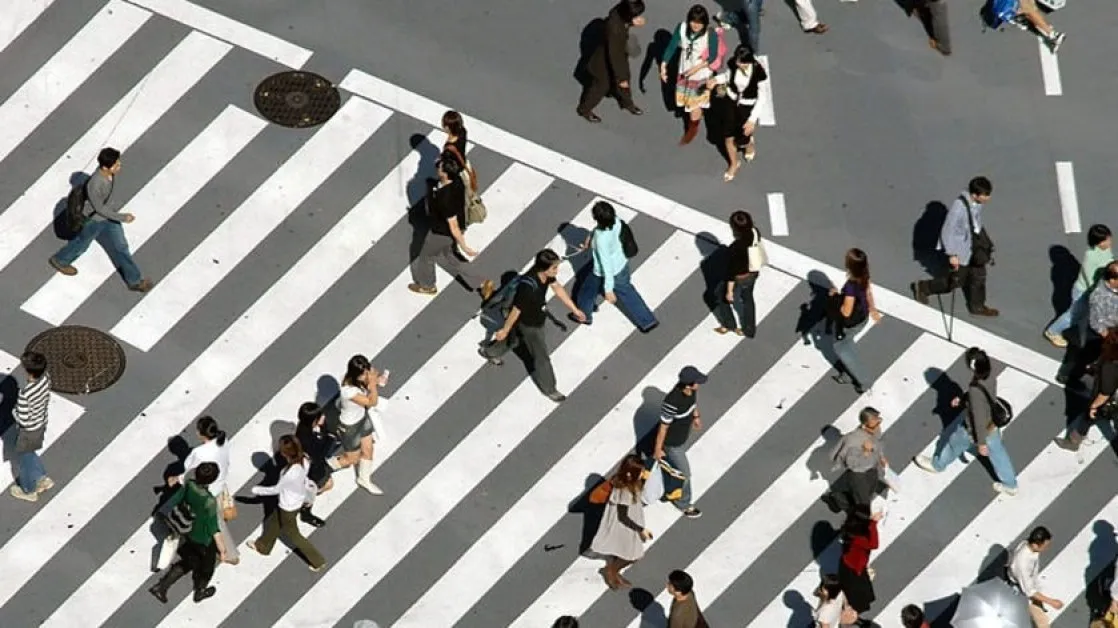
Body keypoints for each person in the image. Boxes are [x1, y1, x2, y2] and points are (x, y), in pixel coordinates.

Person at [480, 249, 586, 401]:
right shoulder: (528, 287)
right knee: (541, 356)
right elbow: (516, 310)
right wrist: (505, 329)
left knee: (515, 339)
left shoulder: (546, 275)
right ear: (543, 268)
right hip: (529, 323)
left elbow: (557, 288)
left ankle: (490, 352)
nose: (557, 271)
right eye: (554, 268)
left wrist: (574, 309)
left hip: (534, 317)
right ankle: (550, 388)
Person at [914, 347, 1019, 496]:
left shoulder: (975, 390)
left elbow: (978, 418)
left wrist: (981, 443)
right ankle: (1010, 484)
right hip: (991, 423)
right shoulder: (990, 375)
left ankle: (938, 465)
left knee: (953, 443)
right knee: (998, 453)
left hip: (972, 429)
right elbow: (983, 397)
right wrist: (963, 400)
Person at [49, 147, 153, 292]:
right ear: (105, 167)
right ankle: (60, 260)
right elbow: (99, 208)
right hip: (94, 220)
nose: (119, 166)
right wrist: (122, 217)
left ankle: (134, 280)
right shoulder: (96, 183)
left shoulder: (108, 175)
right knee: (81, 243)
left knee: (121, 247)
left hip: (107, 216)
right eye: (116, 165)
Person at [408, 151, 496, 300]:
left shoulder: (446, 198)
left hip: (441, 233)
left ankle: (428, 285)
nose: (437, 166)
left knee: (426, 256)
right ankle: (482, 282)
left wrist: (465, 246)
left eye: (440, 167)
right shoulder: (457, 181)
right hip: (455, 229)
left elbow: (453, 226)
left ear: (445, 174)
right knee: (451, 256)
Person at [911, 176, 999, 317]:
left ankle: (977, 306)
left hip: (973, 247)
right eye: (986, 195)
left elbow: (975, 223)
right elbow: (947, 232)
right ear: (975, 195)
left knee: (979, 276)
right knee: (954, 281)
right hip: (961, 251)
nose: (988, 198)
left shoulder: (977, 203)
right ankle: (923, 287)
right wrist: (952, 254)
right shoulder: (958, 209)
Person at [572, 201, 658, 332]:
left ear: (596, 218)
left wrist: (608, 290)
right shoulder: (616, 221)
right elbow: (599, 229)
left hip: (603, 272)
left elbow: (606, 265)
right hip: (622, 264)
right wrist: (590, 238)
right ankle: (647, 320)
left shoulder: (601, 239)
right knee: (627, 292)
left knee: (587, 292)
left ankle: (583, 316)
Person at [148, 462, 226, 604]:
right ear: (213, 480)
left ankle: (161, 586)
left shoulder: (189, 484)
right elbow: (213, 528)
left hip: (186, 530)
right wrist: (222, 550)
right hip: (203, 539)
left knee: (190, 561)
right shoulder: (209, 501)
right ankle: (200, 591)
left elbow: (176, 499)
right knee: (207, 567)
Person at [247, 435, 327, 572]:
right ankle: (263, 546)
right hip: (298, 499)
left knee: (293, 534)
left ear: (285, 453)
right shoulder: (304, 460)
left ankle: (317, 560)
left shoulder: (289, 472)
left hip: (288, 505)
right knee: (273, 520)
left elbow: (276, 489)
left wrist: (257, 490)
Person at [167, 416, 239, 565]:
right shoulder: (223, 441)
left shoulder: (199, 452)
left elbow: (188, 470)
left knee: (215, 521)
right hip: (219, 483)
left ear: (201, 434)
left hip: (206, 490)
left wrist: (176, 478)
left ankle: (229, 553)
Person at [659, 5, 727, 145]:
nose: (696, 25)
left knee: (694, 106)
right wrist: (663, 64)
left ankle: (692, 128)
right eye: (693, 21)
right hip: (685, 71)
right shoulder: (681, 28)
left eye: (699, 22)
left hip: (700, 75)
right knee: (690, 102)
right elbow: (672, 46)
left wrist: (695, 69)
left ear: (705, 23)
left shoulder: (710, 34)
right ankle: (695, 118)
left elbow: (712, 56)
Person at [577, 0, 647, 123]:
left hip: (612, 53)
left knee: (623, 84)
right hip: (603, 63)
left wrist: (630, 22)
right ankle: (584, 109)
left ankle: (627, 103)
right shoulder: (615, 31)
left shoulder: (618, 12)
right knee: (601, 86)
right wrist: (621, 78)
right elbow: (616, 56)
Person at [590, 454, 653, 589]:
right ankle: (611, 571)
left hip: (629, 521)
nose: (643, 474)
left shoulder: (627, 482)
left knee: (628, 552)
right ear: (630, 474)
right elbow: (623, 516)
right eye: (641, 472)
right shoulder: (625, 490)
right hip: (625, 525)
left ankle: (613, 571)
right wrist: (641, 529)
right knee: (632, 555)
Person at [706, 46, 768, 181]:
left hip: (746, 105)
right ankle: (734, 164)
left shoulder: (759, 72)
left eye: (741, 62)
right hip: (731, 101)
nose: (737, 63)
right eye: (737, 60)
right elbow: (727, 77)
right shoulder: (733, 64)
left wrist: (752, 120)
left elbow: (762, 97)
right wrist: (716, 80)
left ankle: (749, 144)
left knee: (744, 136)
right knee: (728, 136)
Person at [1046, 224, 1113, 348]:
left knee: (1085, 313)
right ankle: (1053, 332)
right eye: (1106, 240)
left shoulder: (1106, 250)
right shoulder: (1091, 257)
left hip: (1095, 288)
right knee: (1073, 315)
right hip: (1084, 292)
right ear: (1098, 242)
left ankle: (1083, 332)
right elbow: (1090, 280)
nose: (1109, 242)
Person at [653, 366, 707, 519]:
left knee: (674, 468)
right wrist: (658, 449)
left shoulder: (692, 391)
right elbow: (663, 427)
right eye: (697, 381)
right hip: (672, 444)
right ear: (688, 384)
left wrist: (696, 416)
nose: (699, 384)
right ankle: (683, 503)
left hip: (682, 437)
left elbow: (693, 404)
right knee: (685, 474)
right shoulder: (672, 401)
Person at [330, 354, 386, 495]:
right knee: (351, 459)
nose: (367, 376)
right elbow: (371, 402)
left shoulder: (361, 376)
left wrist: (377, 379)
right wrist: (373, 385)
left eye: (367, 372)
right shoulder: (348, 391)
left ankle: (364, 479)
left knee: (368, 449)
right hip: (350, 427)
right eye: (364, 375)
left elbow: (371, 378)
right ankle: (325, 465)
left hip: (362, 419)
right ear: (356, 375)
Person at [1055, 328, 1118, 452]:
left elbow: (1105, 392)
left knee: (1089, 416)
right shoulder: (1110, 361)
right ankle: (1074, 440)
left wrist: (1094, 406)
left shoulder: (1110, 367)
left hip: (1104, 399)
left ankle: (1073, 441)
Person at [830, 248, 882, 394]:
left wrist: (835, 296)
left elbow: (846, 311)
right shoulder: (865, 275)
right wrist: (873, 310)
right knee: (847, 345)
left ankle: (864, 382)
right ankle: (847, 374)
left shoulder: (850, 287)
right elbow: (868, 293)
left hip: (850, 323)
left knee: (842, 348)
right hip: (862, 317)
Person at [9, 351, 54, 503]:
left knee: (25, 460)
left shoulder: (25, 395)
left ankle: (29, 490)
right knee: (30, 454)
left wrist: (14, 412)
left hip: (28, 431)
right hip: (41, 422)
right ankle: (42, 478)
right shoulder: (46, 379)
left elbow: (24, 420)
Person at [825, 407, 888, 514]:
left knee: (867, 493)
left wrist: (880, 457)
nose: (878, 427)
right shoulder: (853, 440)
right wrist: (866, 452)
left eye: (879, 422)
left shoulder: (874, 430)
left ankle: (838, 499)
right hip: (858, 475)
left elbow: (876, 444)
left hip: (871, 469)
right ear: (864, 425)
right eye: (874, 425)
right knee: (863, 506)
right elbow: (852, 465)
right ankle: (861, 522)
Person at [713, 210, 761, 337]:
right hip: (753, 272)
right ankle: (749, 330)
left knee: (721, 295)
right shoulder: (754, 232)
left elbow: (731, 273)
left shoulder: (735, 249)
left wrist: (729, 292)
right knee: (748, 298)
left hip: (741, 277)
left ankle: (729, 324)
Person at [1008, 526, 1064, 628]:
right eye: (1045, 546)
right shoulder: (1022, 563)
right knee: (1042, 623)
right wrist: (1052, 602)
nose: (1046, 548)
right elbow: (1030, 592)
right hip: (1023, 592)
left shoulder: (1027, 545)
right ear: (1035, 545)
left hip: (1028, 584)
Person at [296, 402, 337, 527]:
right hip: (311, 471)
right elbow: (320, 453)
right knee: (324, 486)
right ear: (314, 420)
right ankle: (305, 511)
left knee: (327, 484)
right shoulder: (307, 439)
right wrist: (330, 437)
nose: (323, 417)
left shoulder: (305, 426)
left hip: (313, 466)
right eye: (320, 416)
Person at [837, 505, 879, 620]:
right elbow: (874, 544)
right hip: (855, 569)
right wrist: (873, 523)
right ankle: (851, 613)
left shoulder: (850, 530)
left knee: (849, 589)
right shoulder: (859, 539)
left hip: (848, 564)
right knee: (857, 594)